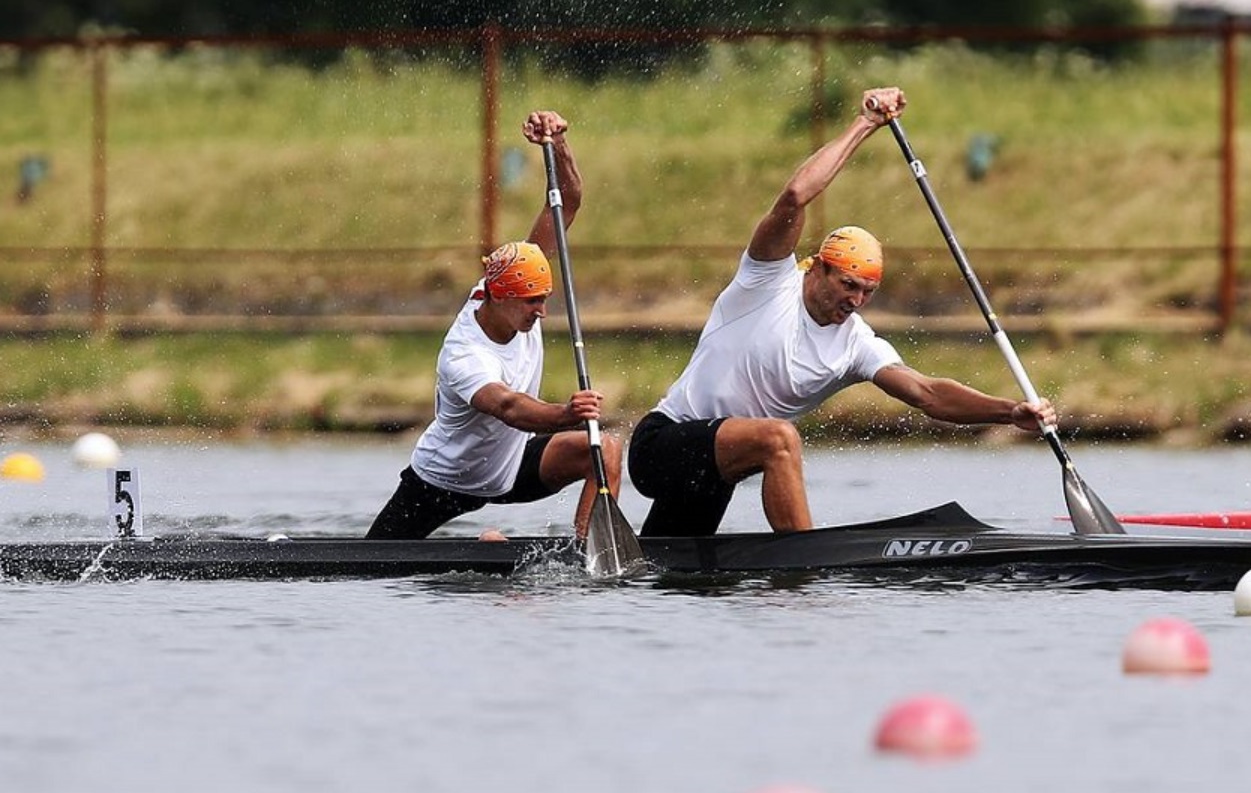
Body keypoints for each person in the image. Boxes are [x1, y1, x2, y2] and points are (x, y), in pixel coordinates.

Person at [627, 86, 1057, 537]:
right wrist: (866, 124)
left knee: (669, 569)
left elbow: (927, 394)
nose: (854, 300)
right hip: (661, 444)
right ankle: (804, 562)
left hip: (716, 470)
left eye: (867, 292)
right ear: (818, 268)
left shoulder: (855, 344)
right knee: (780, 439)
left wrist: (1009, 412)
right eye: (848, 285)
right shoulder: (766, 281)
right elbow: (794, 197)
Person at [366, 110, 622, 540]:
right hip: (446, 480)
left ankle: (589, 551)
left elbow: (568, 202)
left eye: (544, 301)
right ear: (497, 297)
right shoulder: (464, 354)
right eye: (531, 304)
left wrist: (556, 143)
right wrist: (565, 413)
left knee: (602, 450)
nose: (540, 313)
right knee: (374, 561)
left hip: (511, 466)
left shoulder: (519, 277)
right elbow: (509, 408)